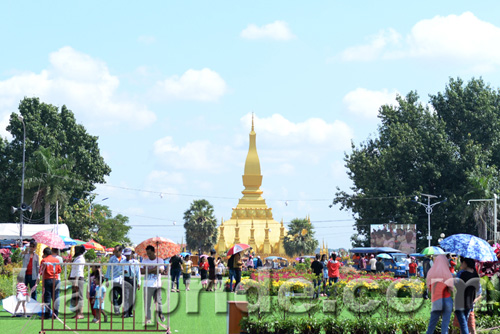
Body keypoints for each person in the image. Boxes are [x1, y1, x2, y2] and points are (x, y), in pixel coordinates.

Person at [425, 255, 454, 334]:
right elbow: (450, 289)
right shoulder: (447, 273)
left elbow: (430, 289)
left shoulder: (430, 273)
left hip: (437, 299)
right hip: (447, 300)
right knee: (445, 325)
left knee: (432, 325)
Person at [454, 257, 480, 334]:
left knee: (463, 324)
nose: (461, 264)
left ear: (465, 263)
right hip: (469, 303)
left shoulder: (463, 274)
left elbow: (459, 287)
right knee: (464, 322)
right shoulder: (475, 275)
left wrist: (455, 282)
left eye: (462, 263)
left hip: (460, 302)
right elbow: (477, 289)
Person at [141, 245, 165, 324]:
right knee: (147, 302)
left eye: (150, 253)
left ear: (154, 252)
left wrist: (148, 270)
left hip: (157, 284)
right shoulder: (145, 260)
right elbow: (142, 271)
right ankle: (148, 318)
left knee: (159, 301)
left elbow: (161, 270)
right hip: (147, 284)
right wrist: (154, 269)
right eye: (147, 253)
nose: (149, 255)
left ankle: (160, 314)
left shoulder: (160, 260)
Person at [39, 247, 62, 318]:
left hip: (47, 279)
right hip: (56, 279)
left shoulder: (44, 260)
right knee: (56, 297)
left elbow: (41, 271)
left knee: (47, 297)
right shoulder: (56, 260)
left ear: (44, 254)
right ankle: (56, 314)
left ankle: (47, 314)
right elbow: (59, 270)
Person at [105, 245, 125, 315]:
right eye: (114, 251)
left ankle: (118, 304)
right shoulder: (112, 259)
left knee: (123, 295)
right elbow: (108, 269)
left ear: (120, 251)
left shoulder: (124, 258)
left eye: (116, 251)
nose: (115, 253)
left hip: (123, 279)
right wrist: (107, 279)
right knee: (115, 295)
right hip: (115, 279)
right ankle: (116, 309)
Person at [122, 247, 141, 318]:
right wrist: (122, 272)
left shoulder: (135, 262)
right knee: (126, 296)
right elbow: (119, 271)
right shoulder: (122, 262)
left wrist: (139, 282)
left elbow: (138, 272)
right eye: (126, 255)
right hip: (126, 279)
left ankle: (130, 312)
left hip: (133, 279)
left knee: (132, 297)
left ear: (131, 254)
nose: (127, 256)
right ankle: (125, 312)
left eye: (128, 255)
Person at [69, 245, 86, 319]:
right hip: (74, 278)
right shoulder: (77, 259)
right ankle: (77, 313)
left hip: (78, 279)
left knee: (80, 296)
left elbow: (78, 271)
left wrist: (75, 281)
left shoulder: (80, 259)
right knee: (75, 296)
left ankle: (81, 313)